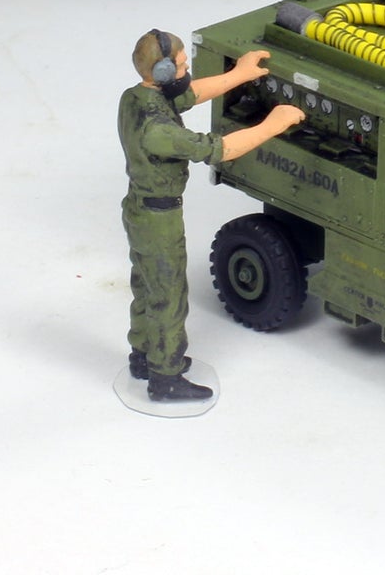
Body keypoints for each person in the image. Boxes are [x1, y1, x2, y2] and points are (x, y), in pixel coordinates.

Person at [118, 29, 304, 402]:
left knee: (147, 285)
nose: (186, 68)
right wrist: (273, 124)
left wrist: (240, 74)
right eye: (181, 65)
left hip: (140, 209)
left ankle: (144, 355)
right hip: (158, 218)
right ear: (164, 71)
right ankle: (166, 377)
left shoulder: (137, 97)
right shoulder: (158, 130)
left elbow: (192, 94)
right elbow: (220, 149)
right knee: (169, 293)